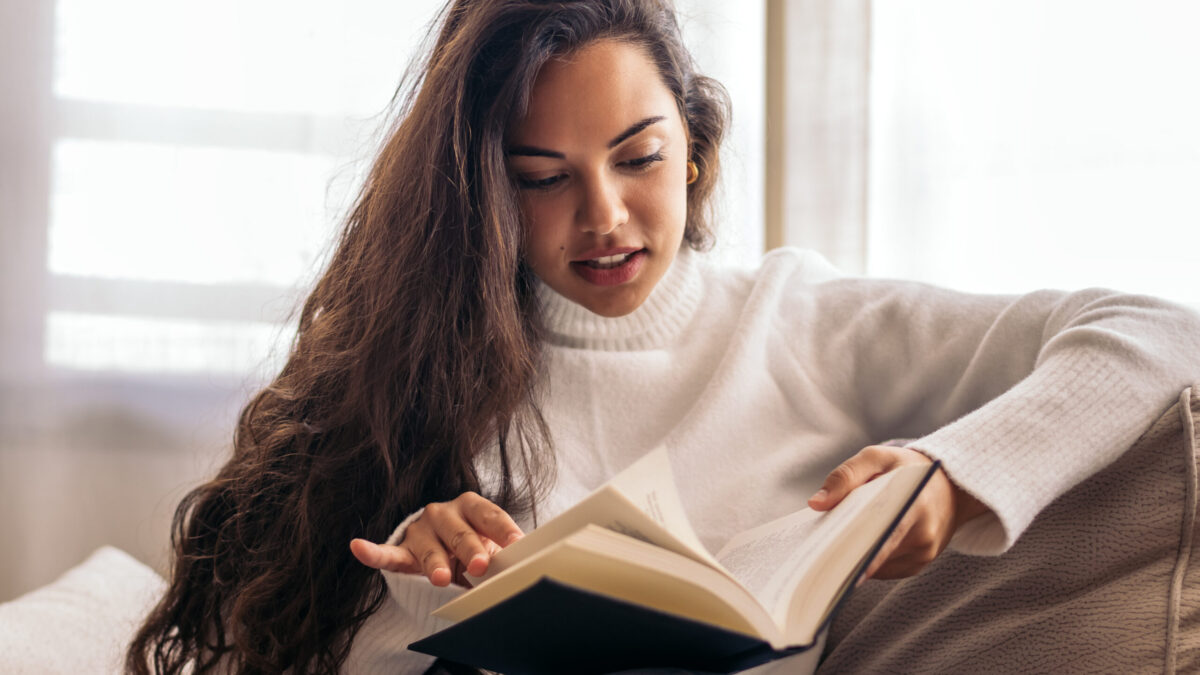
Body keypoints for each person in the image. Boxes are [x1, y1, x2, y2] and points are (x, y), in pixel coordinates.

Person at [127, 0, 1200, 673]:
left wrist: (953, 474)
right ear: (486, 196)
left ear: (693, 151)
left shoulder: (806, 324)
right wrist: (427, 575)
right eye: (541, 180)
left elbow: (1160, 331)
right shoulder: (436, 371)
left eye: (637, 159)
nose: (602, 218)